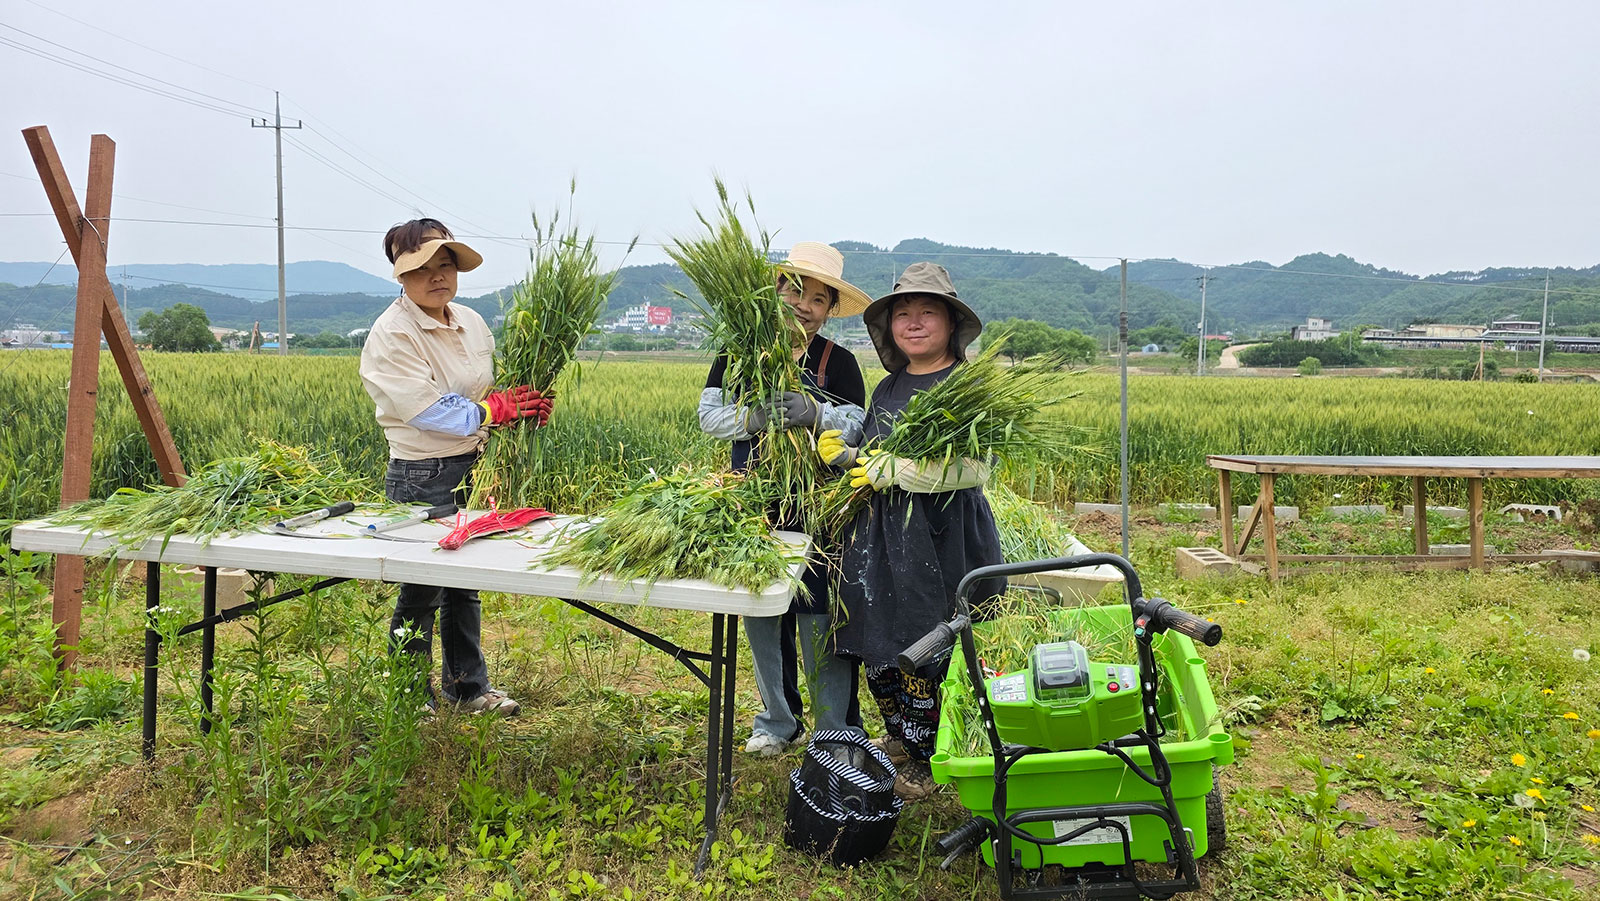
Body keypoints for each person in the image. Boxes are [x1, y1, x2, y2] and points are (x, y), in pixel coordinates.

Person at [820, 261, 1006, 801]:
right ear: (890, 327)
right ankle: (902, 740)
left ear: (951, 323)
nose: (914, 322)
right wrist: (851, 456)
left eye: (928, 312)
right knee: (877, 635)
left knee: (931, 641)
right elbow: (880, 454)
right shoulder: (889, 386)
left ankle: (931, 758)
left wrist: (896, 471)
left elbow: (979, 464)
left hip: (945, 536)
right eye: (903, 313)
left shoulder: (968, 384)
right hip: (884, 536)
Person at [359, 218, 551, 716]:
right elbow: (426, 410)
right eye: (423, 267)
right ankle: (406, 698)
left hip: (475, 465)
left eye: (446, 264)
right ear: (400, 276)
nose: (437, 275)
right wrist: (494, 411)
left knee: (465, 585)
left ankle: (467, 689)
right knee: (422, 588)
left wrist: (521, 407)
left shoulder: (470, 321)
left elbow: (485, 392)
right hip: (423, 473)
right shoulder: (393, 334)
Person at [698, 242, 870, 755]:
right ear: (776, 290)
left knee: (821, 617)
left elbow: (859, 426)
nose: (804, 306)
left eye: (818, 299)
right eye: (795, 290)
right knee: (763, 613)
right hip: (753, 504)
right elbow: (709, 418)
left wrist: (814, 413)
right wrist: (758, 417)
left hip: (819, 507)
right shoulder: (737, 353)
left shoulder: (839, 362)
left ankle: (833, 729)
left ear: (828, 309)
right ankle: (777, 721)